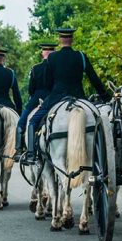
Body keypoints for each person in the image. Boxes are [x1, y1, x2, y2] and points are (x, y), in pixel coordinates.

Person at [22, 28, 110, 164]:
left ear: (60, 40)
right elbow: (94, 79)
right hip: (79, 97)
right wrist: (106, 98)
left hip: (56, 97)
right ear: (72, 39)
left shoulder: (52, 58)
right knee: (98, 120)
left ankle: (31, 153)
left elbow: (47, 81)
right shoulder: (81, 56)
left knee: (33, 121)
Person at [13, 42, 57, 159]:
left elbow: (31, 89)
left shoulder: (35, 68)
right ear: (54, 52)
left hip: (36, 98)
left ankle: (19, 149)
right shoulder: (56, 67)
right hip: (53, 96)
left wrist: (35, 98)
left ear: (43, 53)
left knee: (22, 121)